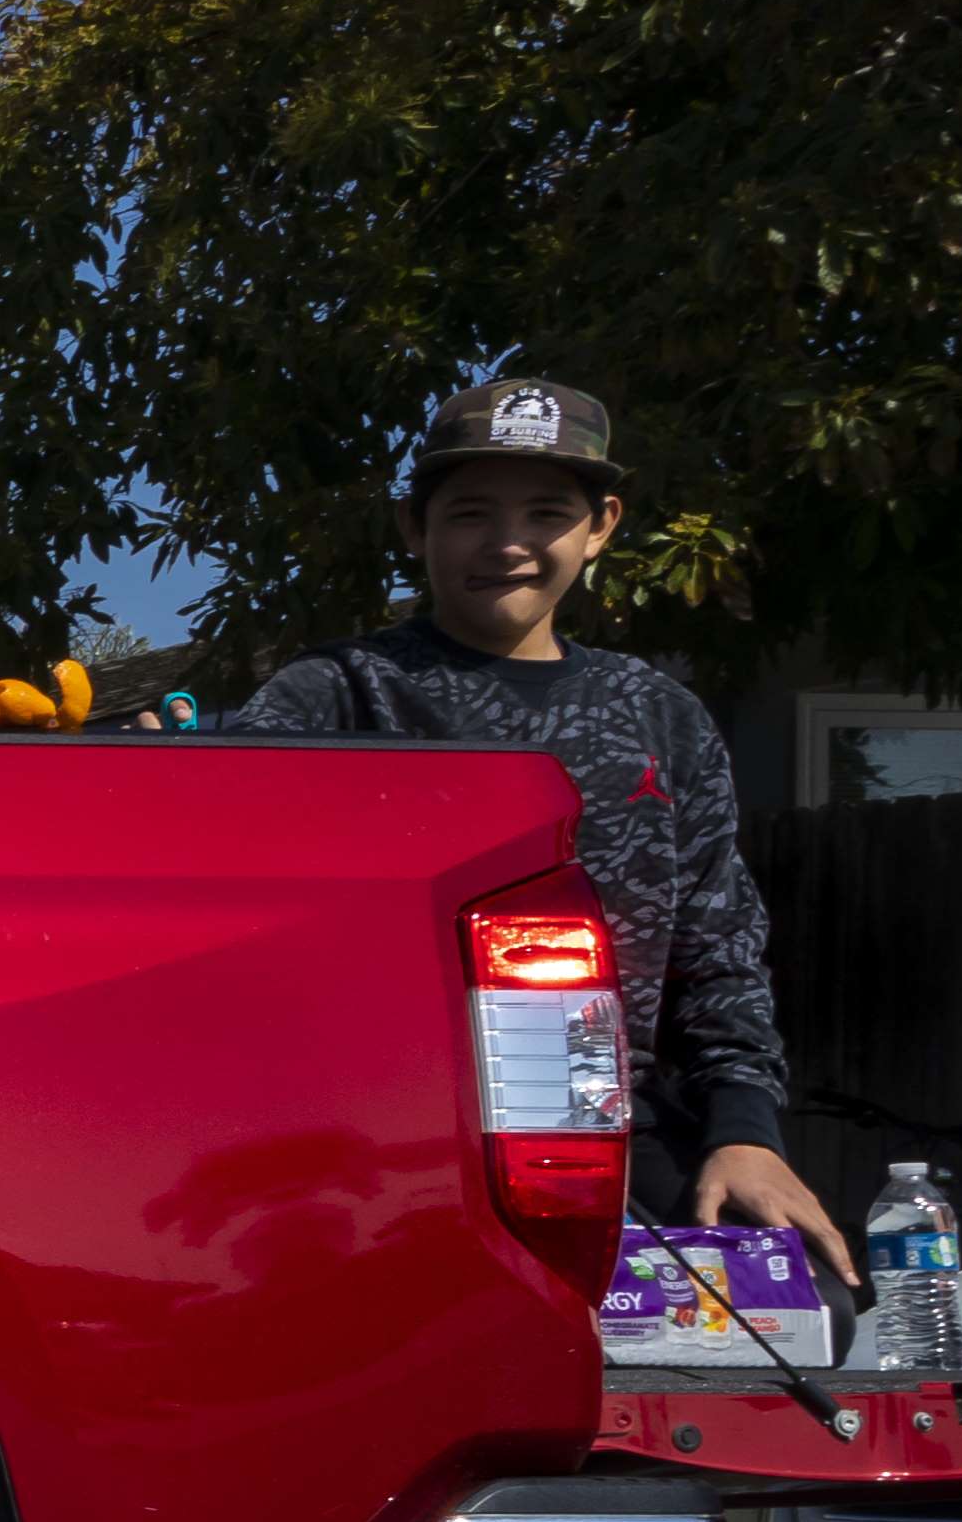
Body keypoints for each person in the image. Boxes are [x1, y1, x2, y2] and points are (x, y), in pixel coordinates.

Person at [221, 371, 850, 1286]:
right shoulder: (335, 698)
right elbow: (232, 903)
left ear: (601, 528)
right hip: (373, 1145)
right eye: (471, 513)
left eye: (547, 513)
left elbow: (720, 954)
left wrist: (746, 1135)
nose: (508, 545)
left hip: (609, 1136)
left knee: (807, 1315)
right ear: (415, 528)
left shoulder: (660, 718)